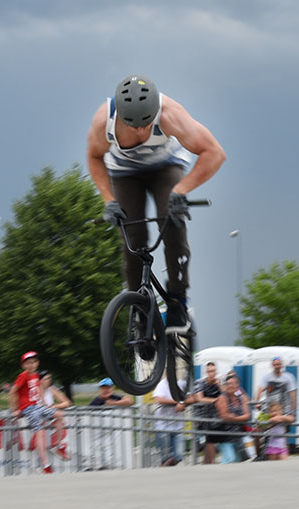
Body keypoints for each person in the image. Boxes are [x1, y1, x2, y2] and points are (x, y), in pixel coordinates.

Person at [87, 74, 225, 333]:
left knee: (171, 223)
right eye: (134, 126)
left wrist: (182, 190)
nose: (142, 131)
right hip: (124, 173)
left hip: (165, 167)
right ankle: (139, 310)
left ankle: (178, 300)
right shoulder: (103, 121)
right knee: (133, 239)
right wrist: (108, 200)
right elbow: (94, 157)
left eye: (147, 123)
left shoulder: (171, 115)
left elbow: (215, 153)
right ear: (121, 118)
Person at [9, 351, 54, 474]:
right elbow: (13, 392)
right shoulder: (23, 376)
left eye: (33, 362)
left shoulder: (36, 376)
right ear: (23, 365)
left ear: (37, 363)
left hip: (37, 406)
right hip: (28, 408)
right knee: (40, 433)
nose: (31, 365)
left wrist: (44, 403)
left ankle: (59, 445)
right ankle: (45, 464)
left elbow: (38, 391)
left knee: (59, 415)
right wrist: (15, 409)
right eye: (28, 363)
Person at [212, 372, 251, 464]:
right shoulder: (222, 398)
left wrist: (235, 418)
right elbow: (224, 415)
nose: (230, 386)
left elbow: (247, 415)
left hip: (238, 435)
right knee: (229, 459)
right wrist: (239, 418)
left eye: (232, 383)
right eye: (228, 384)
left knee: (236, 461)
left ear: (237, 385)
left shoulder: (242, 398)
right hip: (224, 434)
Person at [188, 362, 222, 464]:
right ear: (206, 372)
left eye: (213, 371)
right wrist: (215, 400)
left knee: (210, 442)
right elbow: (200, 398)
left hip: (214, 417)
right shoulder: (200, 383)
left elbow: (225, 395)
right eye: (210, 371)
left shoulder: (218, 383)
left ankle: (207, 463)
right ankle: (211, 462)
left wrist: (219, 385)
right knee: (210, 441)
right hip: (202, 417)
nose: (212, 373)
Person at [152, 375, 187, 466]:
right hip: (163, 426)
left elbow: (192, 397)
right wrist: (177, 402)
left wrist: (183, 403)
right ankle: (164, 468)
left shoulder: (181, 384)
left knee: (179, 455)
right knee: (165, 457)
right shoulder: (162, 384)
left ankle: (166, 468)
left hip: (177, 426)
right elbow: (158, 399)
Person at [39, 370, 71, 459]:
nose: (49, 381)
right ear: (40, 381)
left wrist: (55, 406)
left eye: (49, 378)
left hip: (49, 415)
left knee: (60, 415)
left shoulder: (51, 389)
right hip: (37, 415)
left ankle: (59, 444)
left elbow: (67, 402)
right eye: (46, 379)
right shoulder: (35, 390)